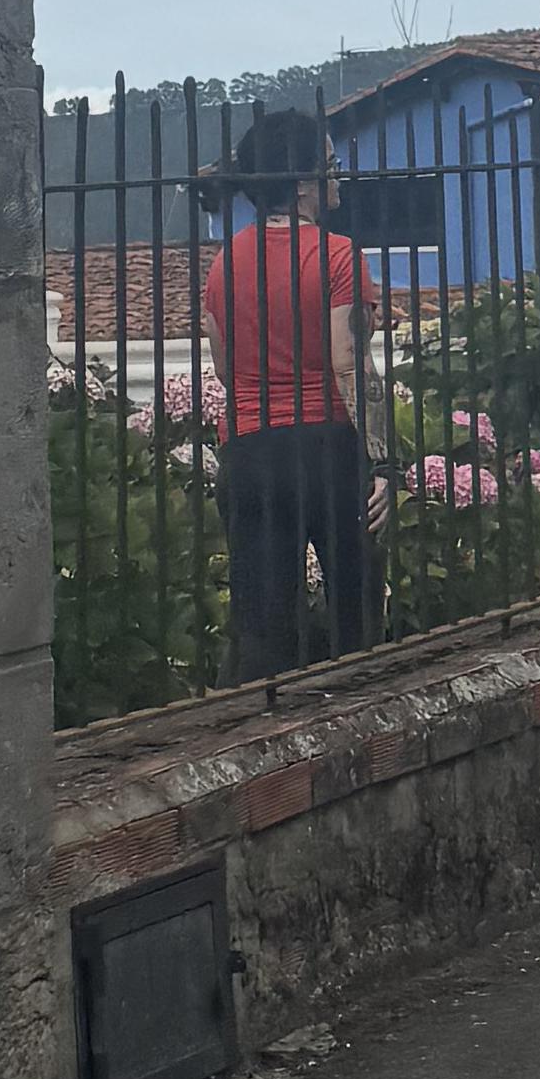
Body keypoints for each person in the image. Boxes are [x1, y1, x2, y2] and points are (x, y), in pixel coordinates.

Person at [201, 111, 382, 681]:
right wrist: (385, 463)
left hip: (251, 452)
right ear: (303, 183)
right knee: (357, 624)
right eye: (331, 165)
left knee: (261, 632)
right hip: (327, 450)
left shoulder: (225, 263)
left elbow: (227, 373)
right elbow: (349, 366)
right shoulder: (338, 256)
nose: (338, 177)